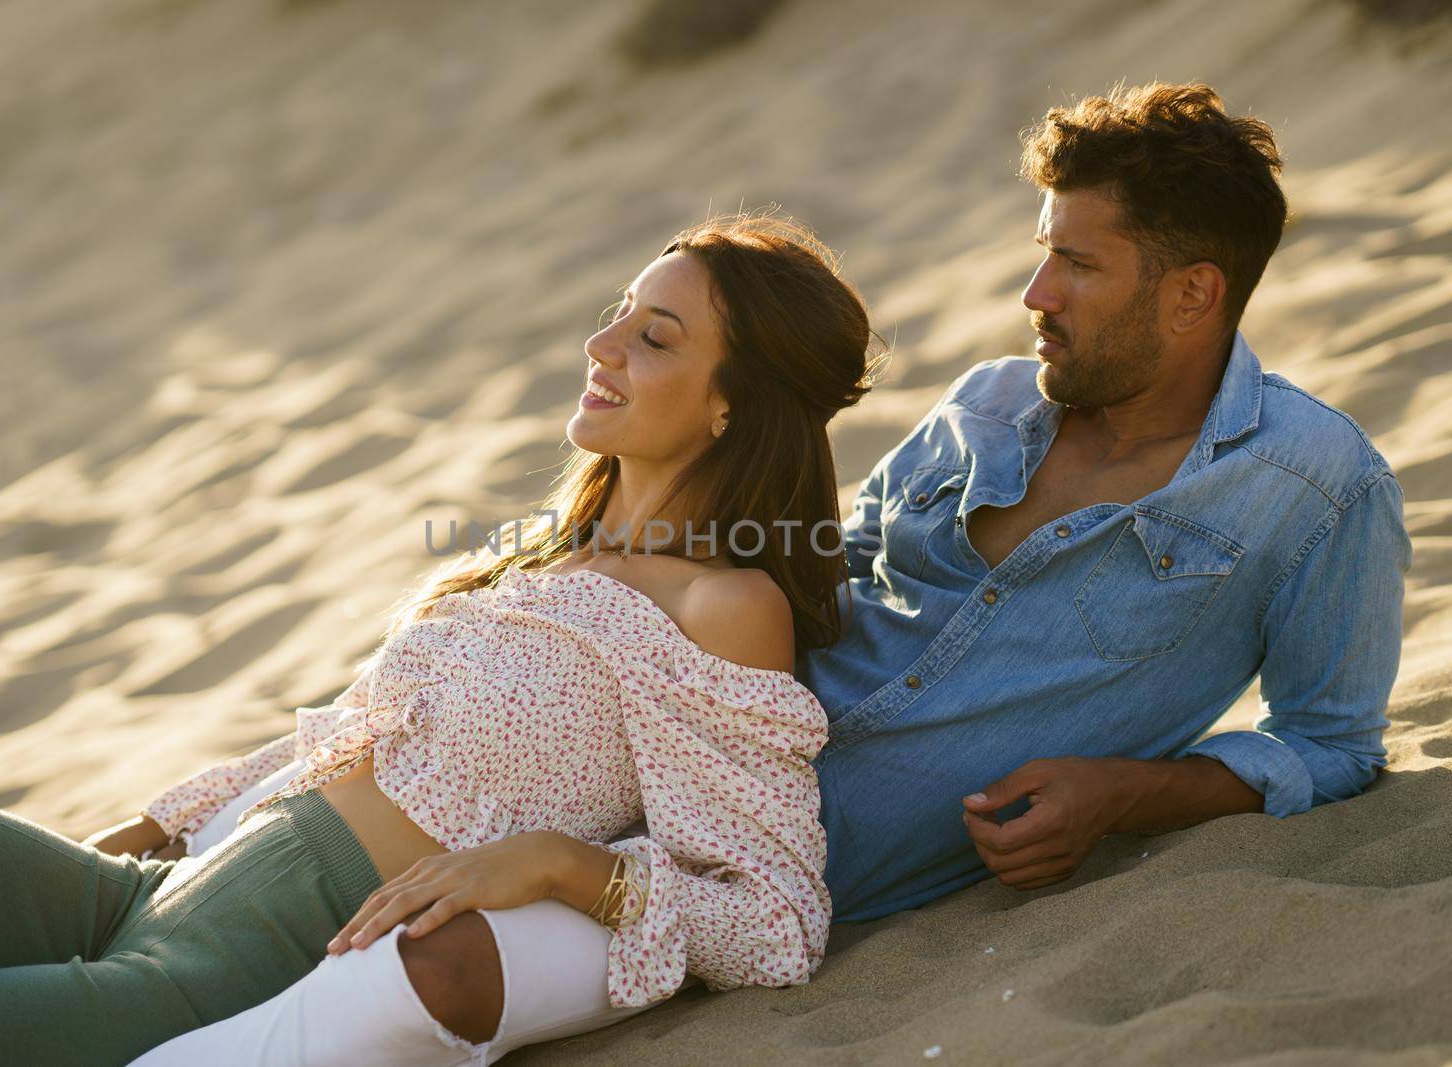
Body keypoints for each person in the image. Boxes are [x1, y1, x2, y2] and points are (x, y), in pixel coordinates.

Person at [128, 80, 1413, 1067]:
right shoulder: (985, 407)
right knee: (254, 912)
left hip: (765, 874)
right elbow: (817, 569)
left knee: (371, 973)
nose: (1033, 291)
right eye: (1043, 249)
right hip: (644, 763)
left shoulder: (1316, 490)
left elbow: (1333, 741)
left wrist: (1122, 793)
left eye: (1077, 263)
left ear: (1193, 294)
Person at [0, 211, 886, 1065]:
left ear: (731, 406)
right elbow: (352, 738)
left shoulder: (720, 604)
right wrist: (156, 822)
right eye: (619, 313)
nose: (601, 345)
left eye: (654, 337)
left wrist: (562, 865)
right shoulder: (537, 557)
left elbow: (774, 921)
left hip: (227, 957)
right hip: (154, 884)